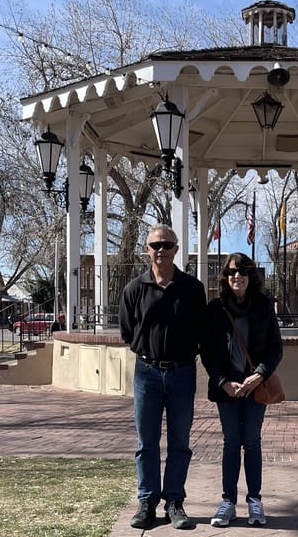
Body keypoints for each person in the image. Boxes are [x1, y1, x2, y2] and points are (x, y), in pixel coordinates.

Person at [119, 224, 207, 530]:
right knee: (147, 443)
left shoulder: (193, 289)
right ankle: (147, 502)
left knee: (180, 442)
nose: (161, 250)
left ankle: (174, 502)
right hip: (147, 374)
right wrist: (149, 354)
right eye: (155, 245)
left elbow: (202, 331)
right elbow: (127, 332)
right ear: (147, 249)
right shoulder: (134, 289)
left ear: (176, 249)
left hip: (183, 373)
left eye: (167, 245)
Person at [201, 252, 283, 528]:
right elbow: (208, 351)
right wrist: (223, 380)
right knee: (231, 442)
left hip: (254, 386)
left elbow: (275, 349)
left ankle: (255, 500)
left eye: (243, 272)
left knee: (252, 441)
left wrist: (259, 375)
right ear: (225, 277)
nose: (237, 276)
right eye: (232, 272)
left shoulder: (263, 305)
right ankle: (227, 502)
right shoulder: (215, 308)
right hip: (228, 387)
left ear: (251, 277)